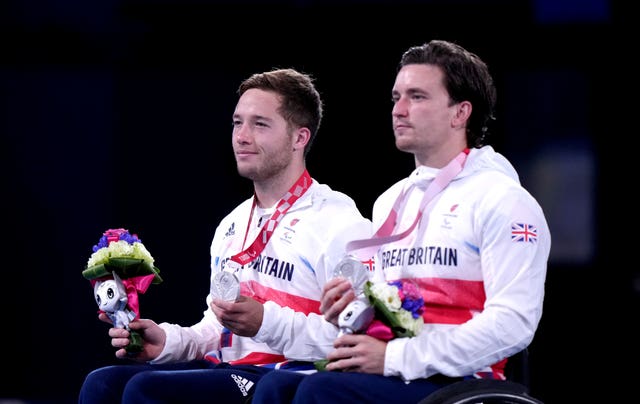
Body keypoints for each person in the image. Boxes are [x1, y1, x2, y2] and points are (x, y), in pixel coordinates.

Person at [250, 39, 551, 403]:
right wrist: (354, 310)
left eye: (417, 97)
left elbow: (513, 324)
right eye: (396, 98)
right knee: (275, 386)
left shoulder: (503, 200)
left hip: (461, 380)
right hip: (398, 370)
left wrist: (395, 357)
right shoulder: (391, 201)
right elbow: (398, 313)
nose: (400, 110)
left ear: (460, 113)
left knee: (321, 390)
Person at [78, 68, 373, 403]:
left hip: (287, 376)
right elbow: (217, 329)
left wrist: (266, 323)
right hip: (230, 369)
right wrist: (167, 342)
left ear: (299, 138)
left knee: (144, 391)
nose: (242, 136)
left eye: (260, 124)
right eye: (237, 123)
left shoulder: (338, 223)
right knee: (103, 384)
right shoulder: (232, 224)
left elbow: (355, 338)